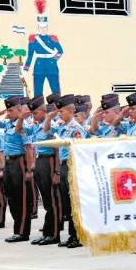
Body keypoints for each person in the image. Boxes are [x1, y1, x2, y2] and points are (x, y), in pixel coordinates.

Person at [45, 94, 88, 248]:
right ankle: (71, 236)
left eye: (61, 111)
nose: (59, 114)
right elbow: (46, 129)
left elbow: (80, 150)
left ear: (70, 111)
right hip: (64, 165)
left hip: (73, 165)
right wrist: (50, 117)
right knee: (67, 203)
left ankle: (78, 236)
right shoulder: (62, 126)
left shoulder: (76, 129)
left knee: (74, 202)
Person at [0, 96, 35, 242]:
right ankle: (17, 230)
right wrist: (0, 113)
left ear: (19, 110)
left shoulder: (23, 125)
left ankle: (23, 232)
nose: (8, 113)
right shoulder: (8, 124)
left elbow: (29, 148)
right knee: (12, 197)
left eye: (10, 110)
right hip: (8, 163)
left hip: (19, 162)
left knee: (22, 199)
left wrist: (29, 170)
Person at [24, 96, 62, 245]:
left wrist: (57, 171)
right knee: (46, 200)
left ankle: (54, 234)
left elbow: (57, 149)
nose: (33, 116)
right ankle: (47, 232)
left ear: (42, 111)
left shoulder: (51, 125)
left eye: (35, 113)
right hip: (40, 162)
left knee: (52, 199)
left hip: (50, 161)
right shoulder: (36, 126)